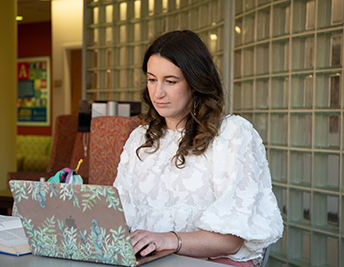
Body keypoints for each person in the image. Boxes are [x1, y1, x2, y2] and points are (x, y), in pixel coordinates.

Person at [113, 30, 283, 267]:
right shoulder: (140, 138)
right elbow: (118, 217)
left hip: (216, 262)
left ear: (195, 83)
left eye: (170, 81)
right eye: (152, 79)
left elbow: (230, 240)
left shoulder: (231, 134)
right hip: (152, 261)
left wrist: (168, 240)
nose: (157, 93)